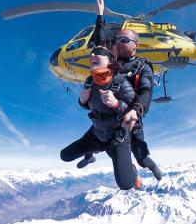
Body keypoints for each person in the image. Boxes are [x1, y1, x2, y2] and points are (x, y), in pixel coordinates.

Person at [77, 0, 163, 181]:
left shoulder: (142, 67)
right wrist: (99, 16)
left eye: (124, 39)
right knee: (99, 139)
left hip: (130, 115)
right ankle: (91, 156)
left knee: (140, 154)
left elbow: (146, 91)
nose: (117, 43)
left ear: (135, 45)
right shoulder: (111, 61)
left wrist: (136, 109)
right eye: (117, 39)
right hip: (109, 113)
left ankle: (149, 165)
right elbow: (99, 41)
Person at [59, 45, 140, 190]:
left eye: (98, 53)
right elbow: (93, 107)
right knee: (65, 156)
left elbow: (137, 113)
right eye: (91, 54)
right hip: (97, 133)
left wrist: (116, 104)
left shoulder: (121, 82)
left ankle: (132, 168)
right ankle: (90, 157)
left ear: (109, 59)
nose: (92, 56)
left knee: (126, 184)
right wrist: (82, 102)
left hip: (117, 138)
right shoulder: (90, 81)